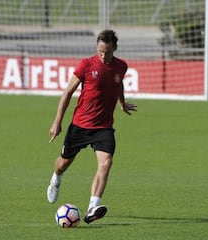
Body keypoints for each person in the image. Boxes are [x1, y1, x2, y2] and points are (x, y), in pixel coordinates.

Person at [46, 29, 137, 224]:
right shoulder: (86, 65)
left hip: (103, 128)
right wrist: (57, 121)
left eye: (108, 52)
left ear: (115, 49)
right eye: (100, 52)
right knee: (63, 163)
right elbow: (67, 93)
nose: (104, 56)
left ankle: (91, 208)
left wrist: (122, 103)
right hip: (80, 126)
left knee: (106, 163)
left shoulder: (121, 66)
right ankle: (55, 179)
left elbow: (118, 83)